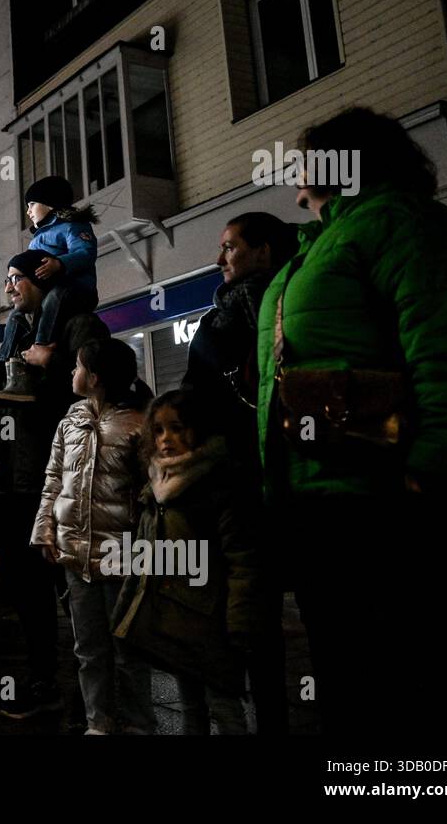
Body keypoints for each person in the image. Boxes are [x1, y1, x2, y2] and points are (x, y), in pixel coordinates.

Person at [255, 106, 447, 734]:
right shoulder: (317, 246)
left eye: (307, 158)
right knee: (352, 679)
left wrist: (436, 466)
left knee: (409, 683)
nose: (295, 172)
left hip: (387, 499)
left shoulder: (403, 224)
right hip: (320, 499)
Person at [0, 253, 109, 720]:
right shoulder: (15, 331)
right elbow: (2, 403)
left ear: (40, 278)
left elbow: (93, 390)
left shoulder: (78, 326)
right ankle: (43, 678)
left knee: (77, 592)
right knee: (26, 588)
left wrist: (47, 364)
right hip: (15, 483)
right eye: (8, 279)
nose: (10, 287)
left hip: (62, 481)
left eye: (17, 278)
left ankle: (95, 695)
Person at [182, 211, 295, 734]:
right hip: (234, 485)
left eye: (230, 247)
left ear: (265, 251)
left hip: (297, 474)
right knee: (248, 613)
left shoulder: (293, 304)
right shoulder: (217, 318)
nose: (219, 259)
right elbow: (194, 397)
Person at [112, 388, 258, 734]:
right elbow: (146, 557)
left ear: (200, 429)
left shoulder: (217, 486)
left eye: (177, 428)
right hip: (177, 622)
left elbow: (242, 562)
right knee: (190, 706)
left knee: (224, 708)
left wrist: (239, 622)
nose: (167, 439)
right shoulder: (158, 487)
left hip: (213, 622)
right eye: (159, 430)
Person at [32, 336, 154, 734]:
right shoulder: (71, 419)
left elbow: (150, 491)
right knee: (88, 649)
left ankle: (138, 723)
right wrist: (45, 529)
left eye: (79, 366)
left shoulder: (138, 425)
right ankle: (97, 722)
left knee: (128, 650)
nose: (72, 372)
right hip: (75, 558)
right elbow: (53, 479)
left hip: (122, 557)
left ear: (96, 377)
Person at [0, 175, 99, 374]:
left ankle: (41, 343)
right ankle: (3, 362)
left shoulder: (73, 226)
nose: (28, 211)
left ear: (50, 203)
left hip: (77, 290)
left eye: (32, 204)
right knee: (16, 313)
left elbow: (86, 253)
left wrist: (60, 264)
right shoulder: (36, 238)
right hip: (48, 296)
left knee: (55, 295)